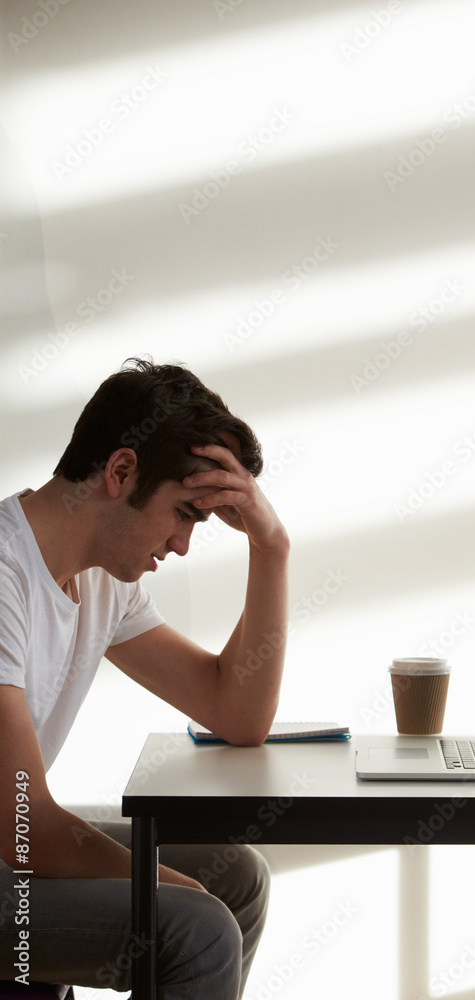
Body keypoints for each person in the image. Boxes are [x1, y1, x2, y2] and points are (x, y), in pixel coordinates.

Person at [0, 357, 290, 999]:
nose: (184, 544)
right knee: (200, 927)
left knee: (237, 876)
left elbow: (237, 713)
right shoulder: (3, 576)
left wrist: (271, 551)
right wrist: (163, 883)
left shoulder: (102, 577)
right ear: (121, 471)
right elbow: (25, 832)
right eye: (185, 512)